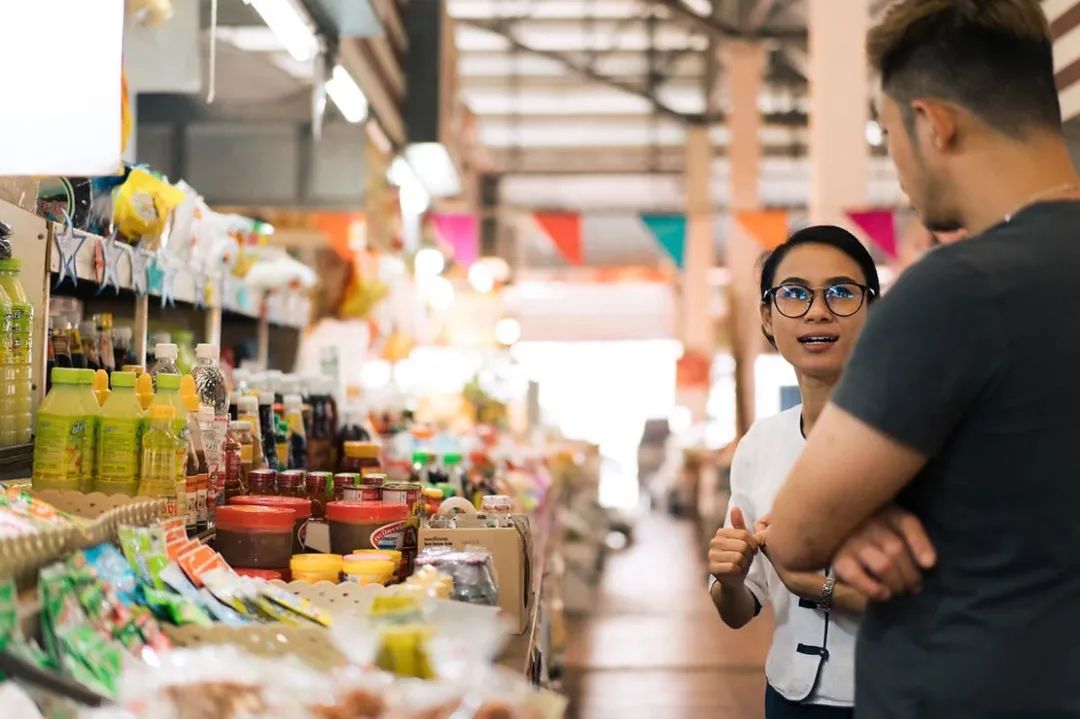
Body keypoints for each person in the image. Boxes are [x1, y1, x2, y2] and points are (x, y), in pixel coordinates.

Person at [766, 2, 1080, 716]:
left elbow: (795, 531)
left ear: (934, 123)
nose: (895, 163)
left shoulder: (959, 288)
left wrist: (855, 510)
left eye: (889, 133)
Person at [708, 226, 879, 718]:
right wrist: (732, 579)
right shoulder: (761, 443)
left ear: (874, 312)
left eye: (842, 293)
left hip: (887, 694)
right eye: (795, 294)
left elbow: (944, 605)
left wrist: (818, 587)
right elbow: (741, 610)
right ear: (768, 316)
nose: (817, 311)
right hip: (788, 696)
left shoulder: (911, 442)